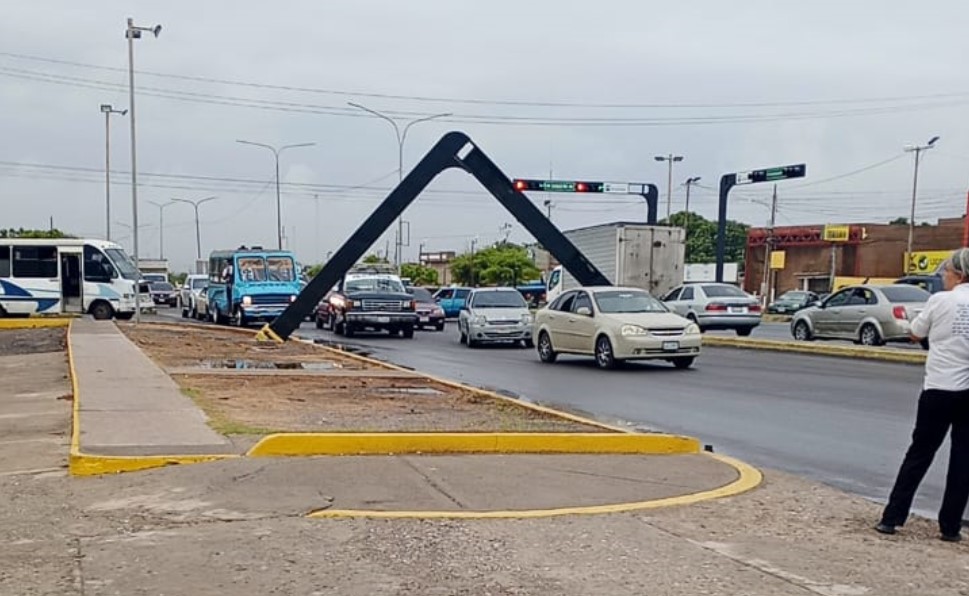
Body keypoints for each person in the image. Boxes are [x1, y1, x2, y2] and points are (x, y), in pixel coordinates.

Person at [876, 248, 969, 542]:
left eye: (945, 272)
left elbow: (916, 332)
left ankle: (892, 518)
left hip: (938, 389)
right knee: (963, 461)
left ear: (958, 273)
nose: (942, 276)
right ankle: (950, 527)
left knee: (919, 454)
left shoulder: (941, 300)